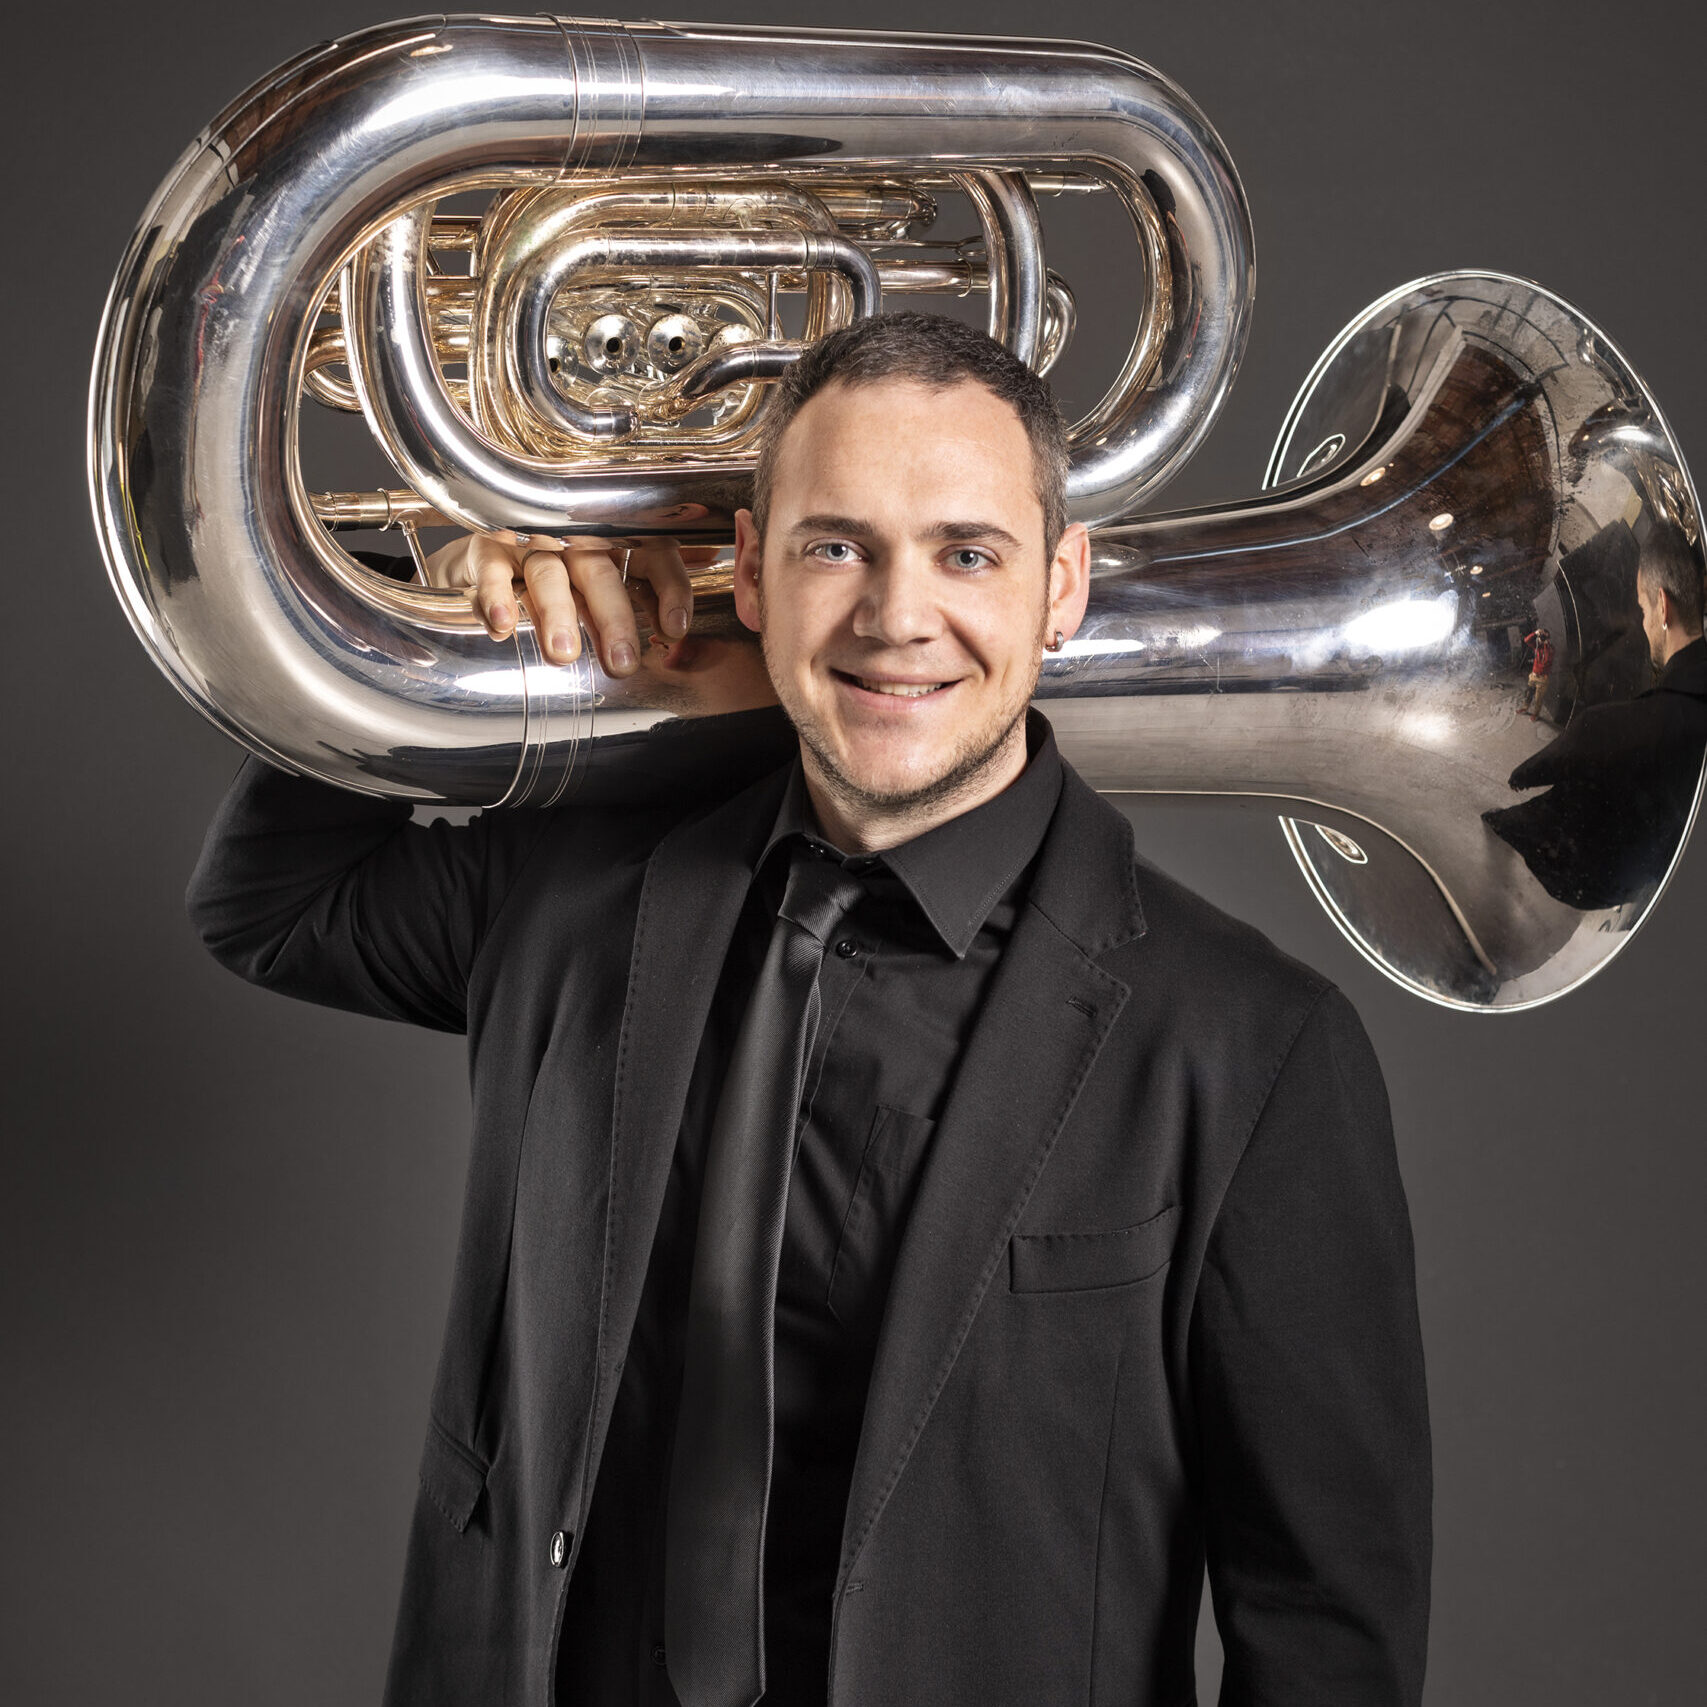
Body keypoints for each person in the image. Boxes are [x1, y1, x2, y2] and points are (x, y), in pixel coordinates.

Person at [187, 313, 1431, 1707]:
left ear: (1061, 586)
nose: (896, 617)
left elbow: (1325, 1632)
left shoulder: (1250, 1046)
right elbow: (270, 903)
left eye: (967, 553)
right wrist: (410, 578)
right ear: (752, 569)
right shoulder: (572, 891)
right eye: (835, 547)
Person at [1482, 520, 1707, 909]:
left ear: (1663, 606)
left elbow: (1527, 775)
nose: (1642, 622)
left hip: (1607, 886)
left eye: (1643, 608)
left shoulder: (1604, 728)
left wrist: (1520, 781)